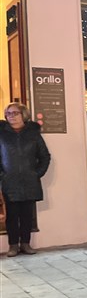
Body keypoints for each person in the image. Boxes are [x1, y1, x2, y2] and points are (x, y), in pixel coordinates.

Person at [0, 103, 51, 257]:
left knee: (27, 215)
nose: (11, 116)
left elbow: (45, 157)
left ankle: (26, 244)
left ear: (23, 115)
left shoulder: (33, 134)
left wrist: (37, 174)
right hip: (10, 181)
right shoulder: (2, 134)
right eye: (8, 113)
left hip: (29, 181)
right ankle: (13, 245)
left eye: (15, 113)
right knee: (12, 215)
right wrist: (2, 175)